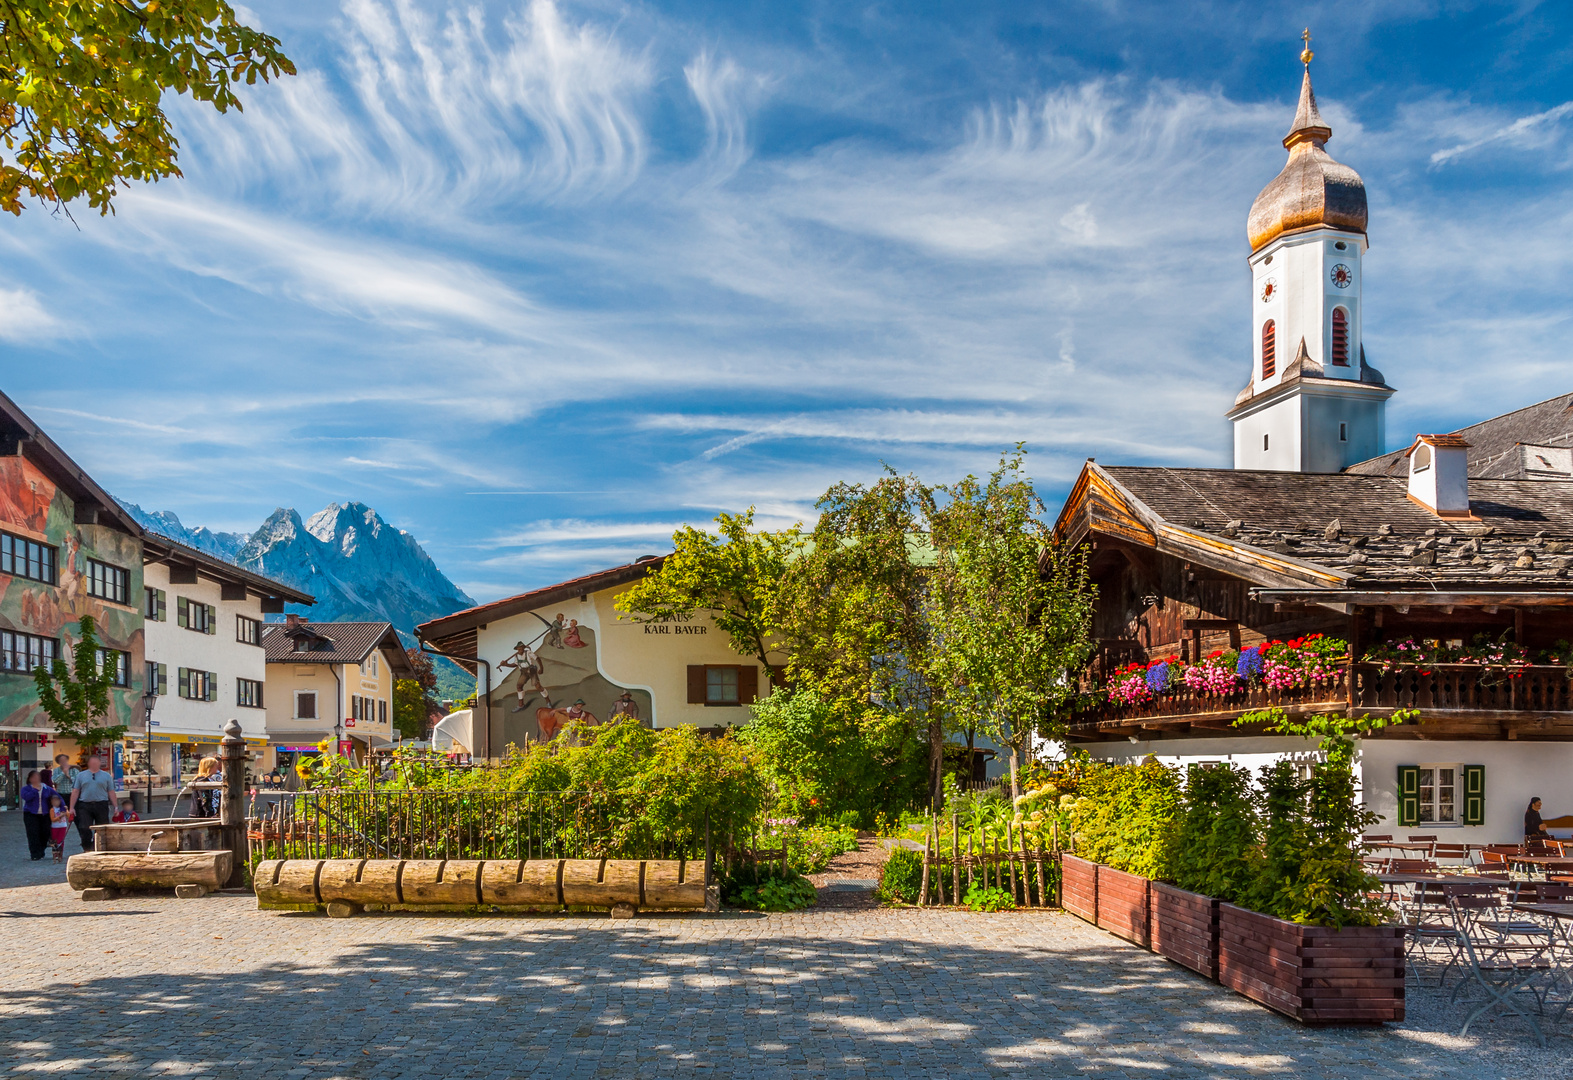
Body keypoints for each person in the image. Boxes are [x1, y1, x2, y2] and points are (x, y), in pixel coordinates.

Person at [68, 755, 115, 852]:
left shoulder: (106, 776)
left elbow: (111, 791)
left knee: (102, 828)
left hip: (101, 804)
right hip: (85, 805)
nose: (94, 764)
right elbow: (75, 791)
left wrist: (116, 806)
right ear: (89, 764)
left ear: (99, 763)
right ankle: (87, 847)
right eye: (92, 763)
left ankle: (98, 847)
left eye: (96, 762)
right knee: (84, 828)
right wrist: (71, 807)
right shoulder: (81, 775)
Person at [20, 771, 55, 860]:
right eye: (34, 777)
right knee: (33, 833)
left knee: (45, 832)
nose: (36, 779)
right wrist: (35, 790)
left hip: (44, 814)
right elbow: (26, 797)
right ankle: (35, 853)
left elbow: (55, 796)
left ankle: (41, 850)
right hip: (30, 814)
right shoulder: (26, 788)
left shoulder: (46, 788)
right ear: (30, 779)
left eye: (38, 777)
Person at [48, 795, 71, 862]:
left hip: (63, 826)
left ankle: (60, 854)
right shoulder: (52, 810)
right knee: (55, 841)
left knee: (61, 841)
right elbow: (53, 819)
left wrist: (66, 810)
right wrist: (60, 816)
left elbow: (68, 816)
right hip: (55, 827)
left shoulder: (62, 808)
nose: (56, 803)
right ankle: (55, 854)